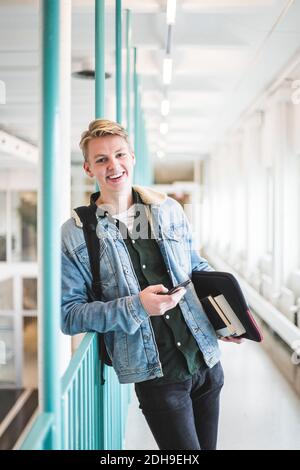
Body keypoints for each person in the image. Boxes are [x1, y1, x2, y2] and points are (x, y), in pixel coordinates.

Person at [61, 119, 242, 450]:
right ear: (89, 168)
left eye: (119, 155)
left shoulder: (168, 209)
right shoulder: (76, 233)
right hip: (157, 376)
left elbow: (195, 268)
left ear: (132, 158)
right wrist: (136, 306)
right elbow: (69, 315)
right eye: (101, 160)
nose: (113, 166)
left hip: (206, 359)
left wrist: (225, 319)